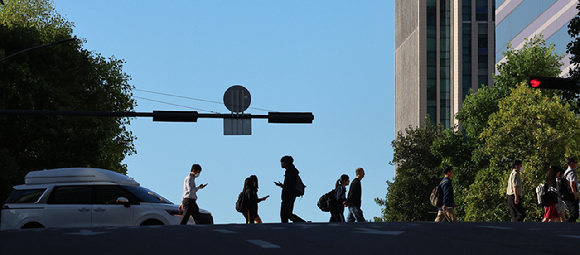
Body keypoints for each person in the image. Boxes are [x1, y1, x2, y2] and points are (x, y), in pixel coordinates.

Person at [274, 156, 306, 223]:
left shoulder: (290, 172)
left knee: (287, 214)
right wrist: (283, 186)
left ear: (287, 162)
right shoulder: (291, 171)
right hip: (288, 196)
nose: (281, 164)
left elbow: (290, 186)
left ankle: (302, 223)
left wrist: (285, 188)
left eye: (282, 162)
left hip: (288, 197)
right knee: (284, 214)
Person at [563, 157, 579, 222]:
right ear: (571, 163)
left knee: (573, 214)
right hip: (571, 195)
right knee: (575, 214)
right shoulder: (571, 172)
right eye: (575, 163)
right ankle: (564, 226)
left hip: (567, 195)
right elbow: (572, 184)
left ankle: (571, 229)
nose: (576, 164)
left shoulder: (566, 172)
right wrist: (575, 195)